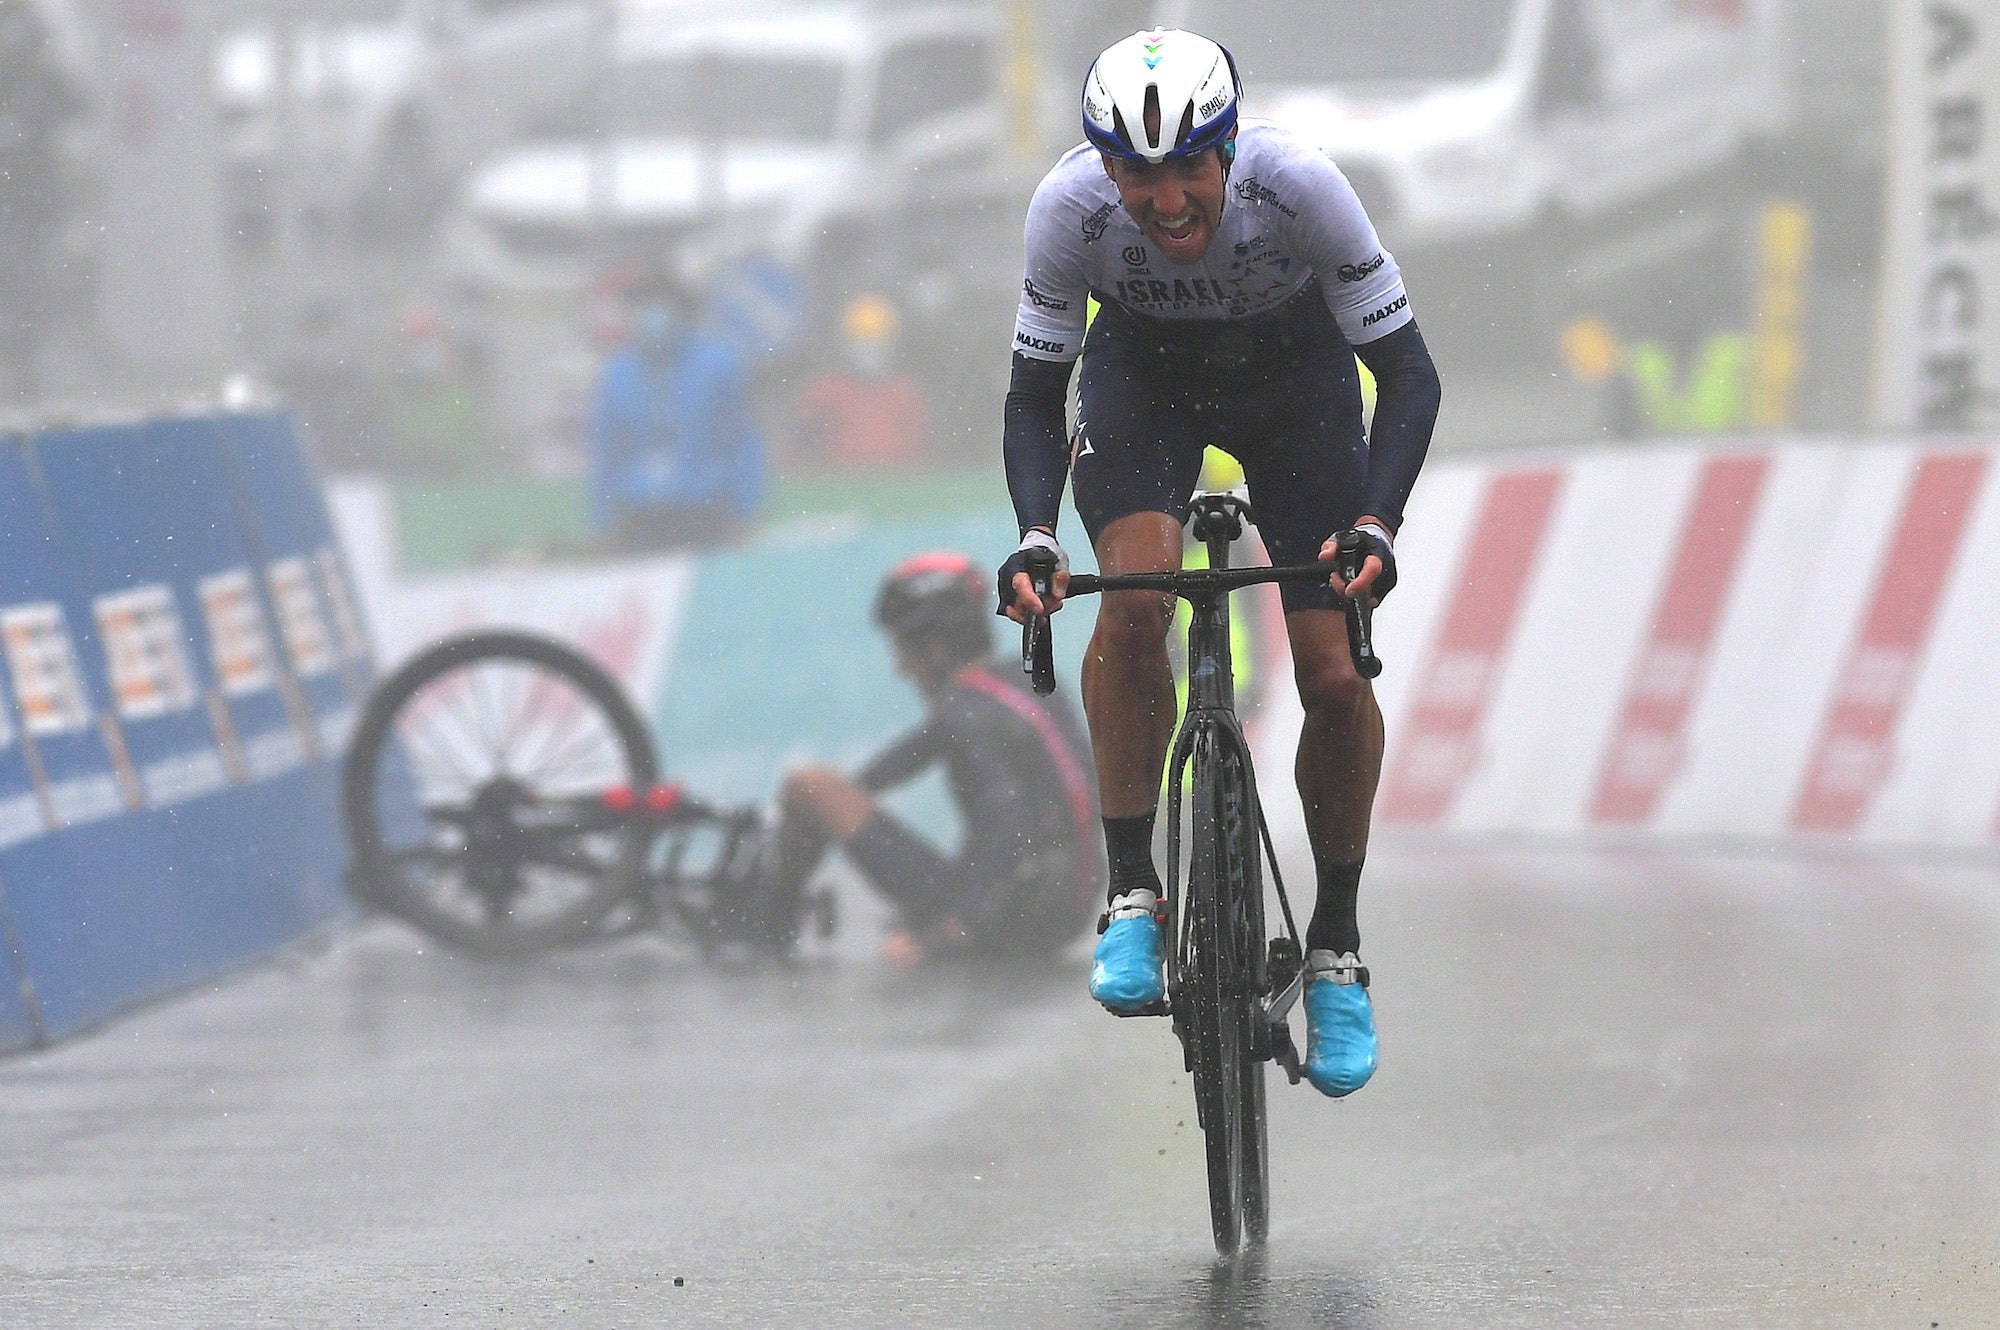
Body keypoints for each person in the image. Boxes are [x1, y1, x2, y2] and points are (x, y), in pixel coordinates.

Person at [995, 29, 1442, 1097]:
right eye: (1136, 172)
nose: (1164, 200)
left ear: (1229, 147)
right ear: (1104, 165)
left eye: (1187, 166)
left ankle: (1334, 949)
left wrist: (1374, 522)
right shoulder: (1065, 212)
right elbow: (1030, 396)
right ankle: (1134, 894)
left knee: (1334, 673)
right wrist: (1036, 533)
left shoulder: (1301, 189)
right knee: (1135, 601)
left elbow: (1407, 375)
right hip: (1142, 380)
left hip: (1295, 384)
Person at [768, 553, 1097, 963]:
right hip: (1071, 906)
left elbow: (1008, 821)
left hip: (1013, 914)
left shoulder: (961, 711)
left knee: (809, 786)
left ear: (935, 649)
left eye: (902, 651)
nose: (900, 669)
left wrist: (958, 930)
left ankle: (769, 920)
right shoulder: (1024, 680)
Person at [587, 278, 764, 551]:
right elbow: (606, 452)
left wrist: (744, 508)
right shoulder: (618, 372)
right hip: (640, 513)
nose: (654, 316)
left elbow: (741, 443)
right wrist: (603, 520)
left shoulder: (717, 366)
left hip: (704, 511)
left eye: (663, 306)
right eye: (645, 307)